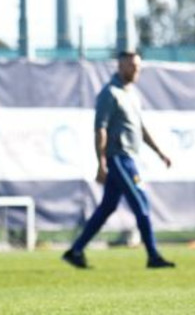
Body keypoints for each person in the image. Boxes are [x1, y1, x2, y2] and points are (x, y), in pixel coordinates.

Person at [63, 50, 175, 269]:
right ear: (120, 66)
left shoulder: (131, 94)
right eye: (132, 66)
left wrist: (159, 152)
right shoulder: (110, 93)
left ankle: (75, 251)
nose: (136, 70)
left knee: (107, 208)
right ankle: (153, 255)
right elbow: (100, 129)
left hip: (129, 157)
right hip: (118, 159)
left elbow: (139, 128)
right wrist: (101, 163)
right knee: (141, 204)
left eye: (138, 67)